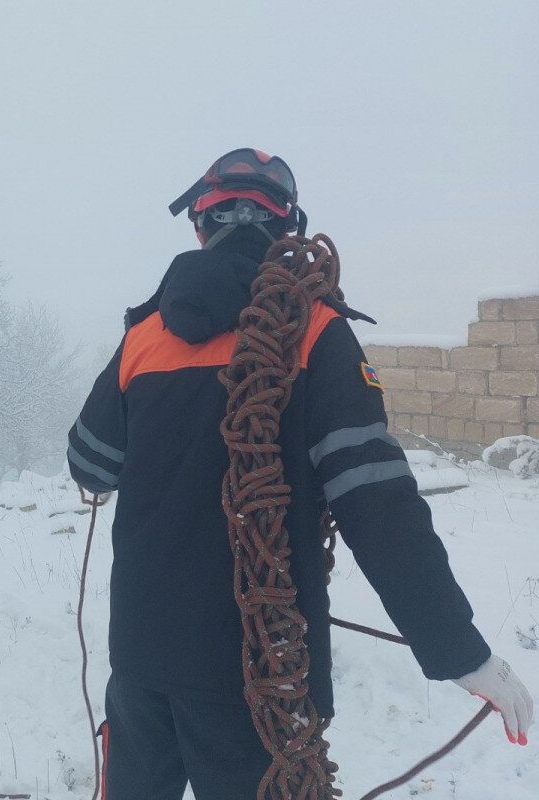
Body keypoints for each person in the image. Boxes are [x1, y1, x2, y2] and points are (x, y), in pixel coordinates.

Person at [67, 148, 533, 798]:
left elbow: (90, 465)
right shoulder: (314, 333)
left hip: (140, 662)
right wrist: (459, 650)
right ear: (286, 227)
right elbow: (378, 505)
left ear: (200, 225)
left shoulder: (145, 337)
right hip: (255, 675)